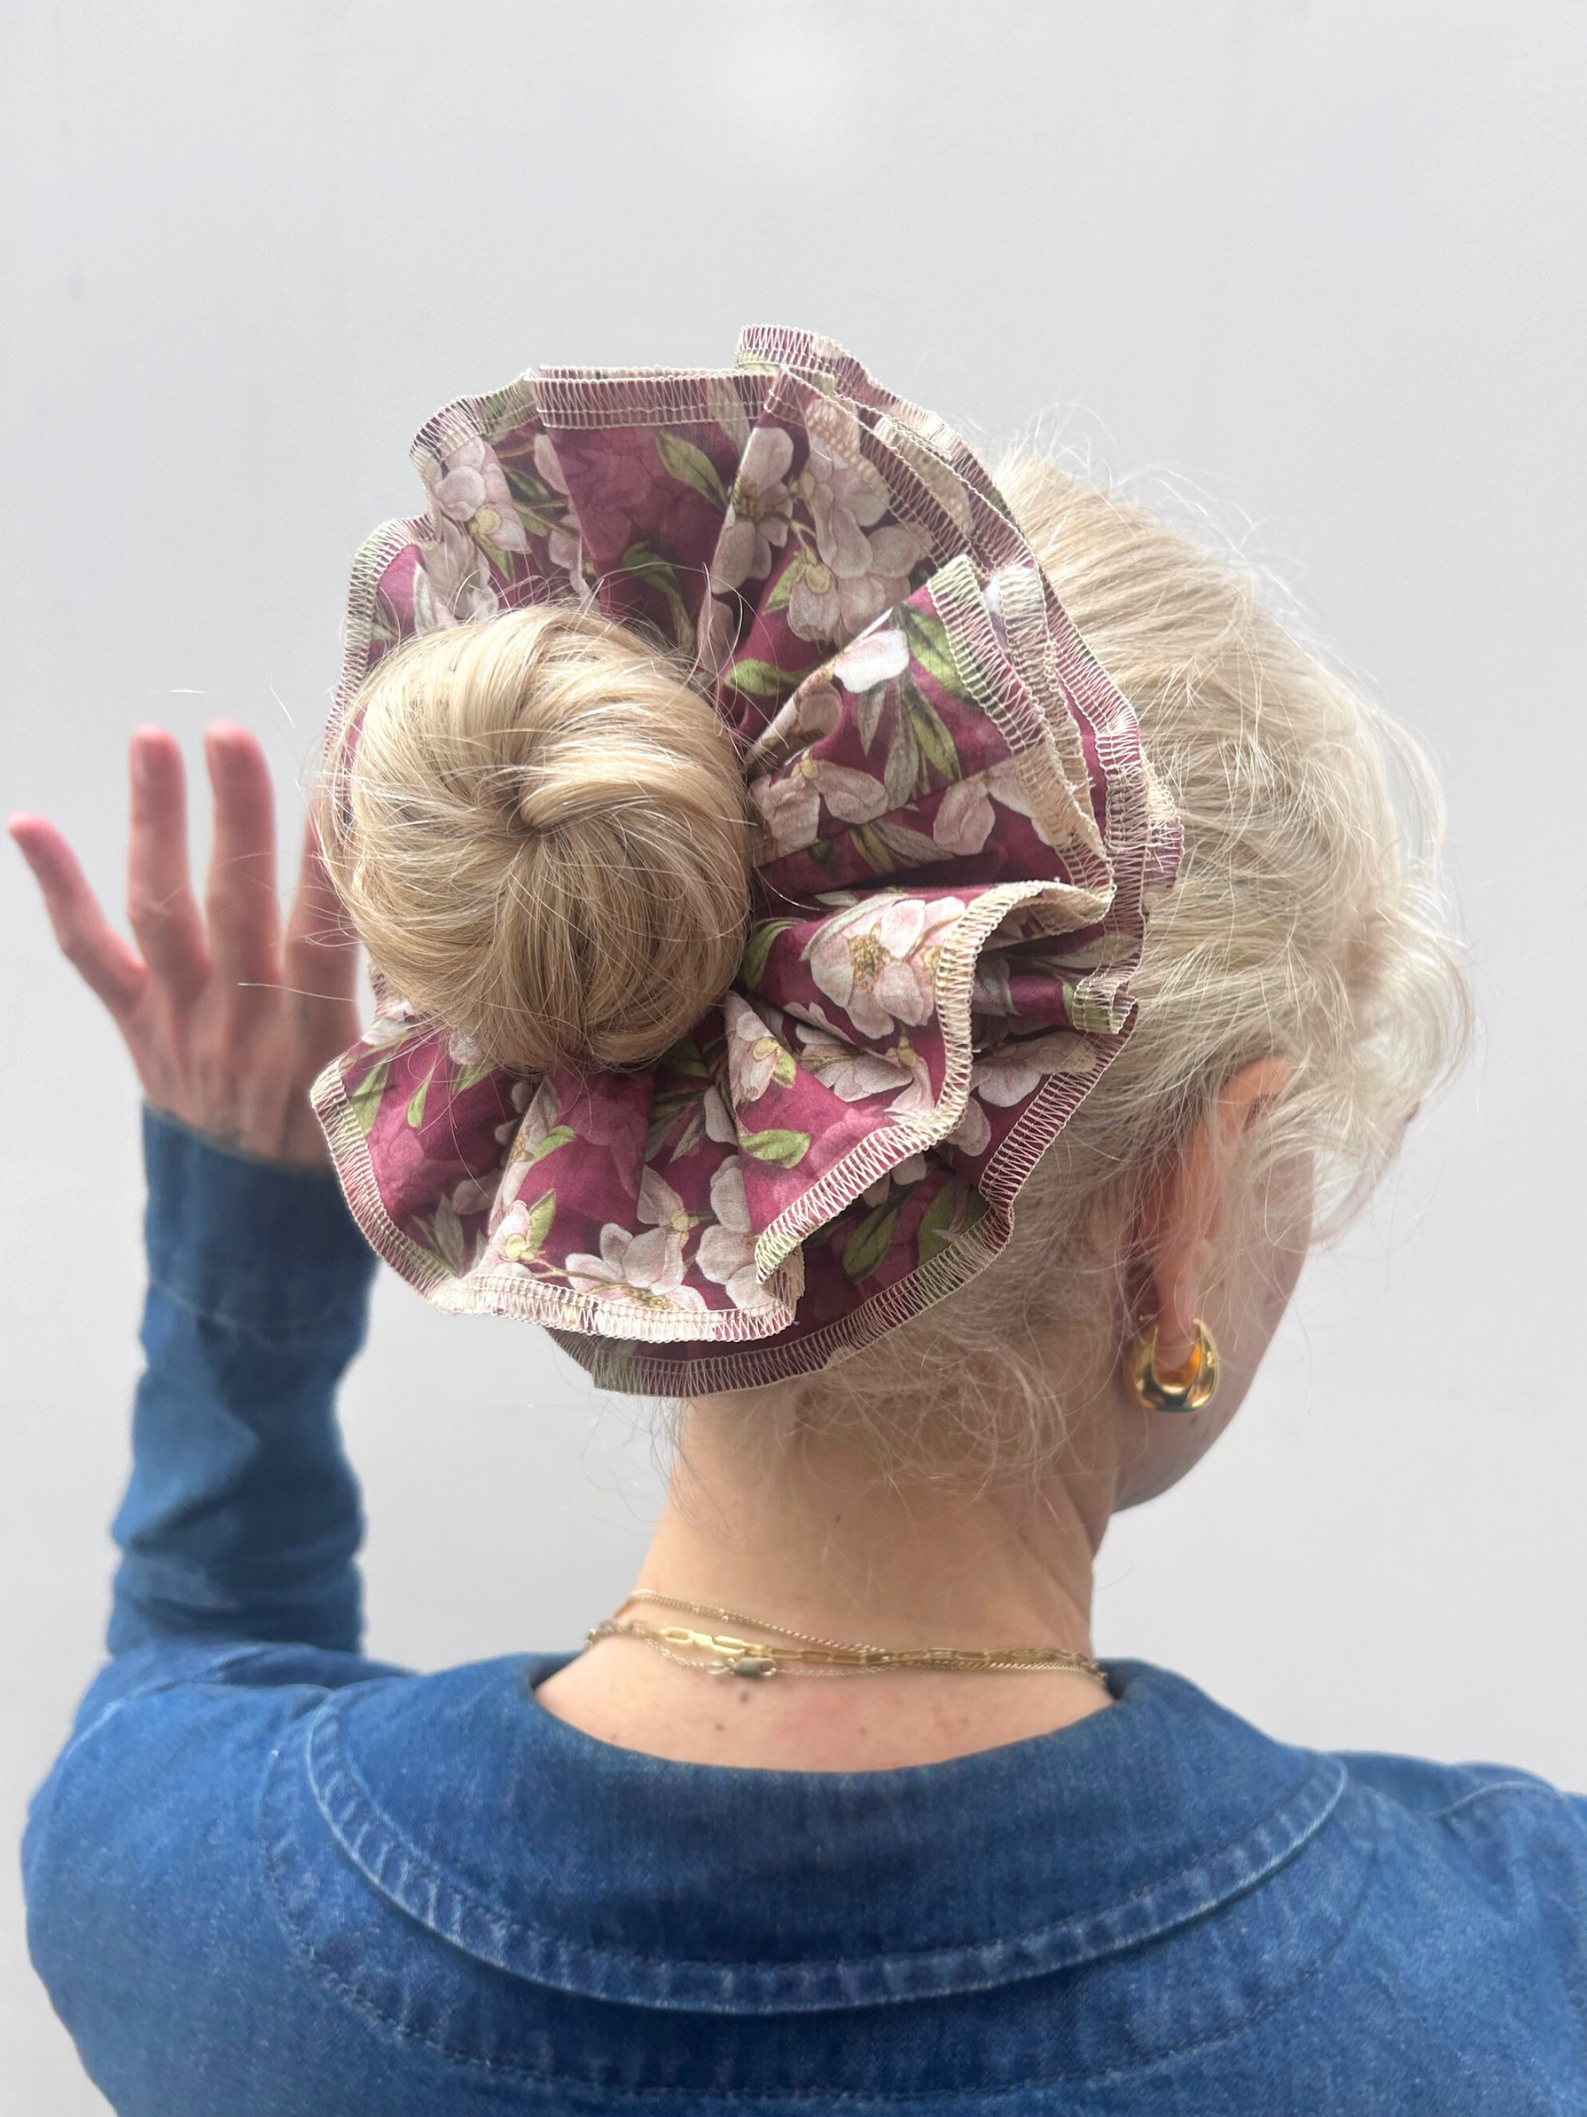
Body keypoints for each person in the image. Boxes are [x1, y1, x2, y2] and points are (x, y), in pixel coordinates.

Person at [12, 330, 1583, 2114]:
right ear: (1183, 1201)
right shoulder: (1509, 1985)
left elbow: (192, 1675)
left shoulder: (176, 1895)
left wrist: (245, 1234)